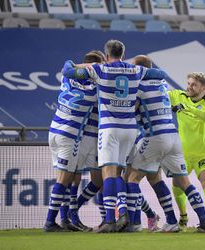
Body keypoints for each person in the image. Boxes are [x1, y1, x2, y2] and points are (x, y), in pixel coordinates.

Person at [62, 40, 167, 233]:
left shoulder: (101, 70)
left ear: (107, 55)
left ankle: (110, 220)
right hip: (130, 130)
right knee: (120, 174)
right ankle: (125, 213)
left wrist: (77, 64)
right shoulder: (135, 70)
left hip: (109, 129)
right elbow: (161, 74)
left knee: (108, 173)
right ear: (123, 53)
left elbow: (67, 72)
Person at [126, 55, 205, 233]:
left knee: (131, 179)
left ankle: (134, 223)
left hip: (153, 136)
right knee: (180, 182)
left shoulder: (138, 86)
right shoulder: (162, 84)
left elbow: (131, 110)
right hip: (173, 138)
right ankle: (202, 223)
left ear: (139, 70)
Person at [44, 51, 104, 232]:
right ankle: (50, 222)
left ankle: (66, 219)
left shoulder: (66, 78)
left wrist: (80, 67)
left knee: (69, 179)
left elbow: (67, 64)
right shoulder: (95, 90)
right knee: (65, 179)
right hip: (70, 136)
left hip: (54, 131)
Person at [169, 72, 205, 232]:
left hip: (203, 153)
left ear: (204, 88)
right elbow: (159, 92)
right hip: (182, 153)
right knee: (177, 185)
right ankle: (183, 216)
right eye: (189, 83)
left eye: (194, 85)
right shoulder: (178, 96)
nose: (189, 87)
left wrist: (189, 108)